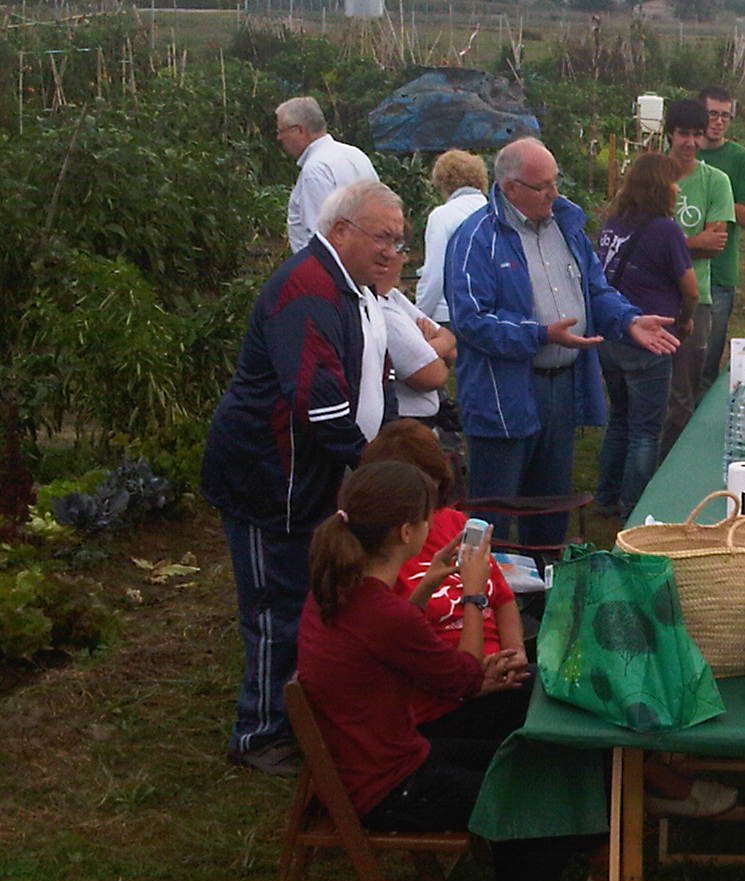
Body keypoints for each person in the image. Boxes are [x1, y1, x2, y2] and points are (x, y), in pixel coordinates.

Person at [297, 460, 595, 881]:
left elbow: (394, 638)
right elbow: (462, 679)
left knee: (532, 759)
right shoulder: (380, 612)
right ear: (406, 531)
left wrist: (432, 582)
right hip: (389, 785)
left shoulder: (340, 590)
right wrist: (474, 595)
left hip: (383, 757)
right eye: (427, 516)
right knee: (546, 805)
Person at [203, 179, 404, 775]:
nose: (391, 251)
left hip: (308, 474)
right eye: (382, 237)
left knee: (311, 598)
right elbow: (320, 405)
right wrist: (376, 469)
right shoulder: (307, 287)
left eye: (398, 240)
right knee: (275, 606)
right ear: (340, 230)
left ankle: (305, 717)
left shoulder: (351, 287)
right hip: (268, 477)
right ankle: (259, 734)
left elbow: (375, 377)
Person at [444, 137, 679, 550]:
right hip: (503, 394)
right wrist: (539, 335)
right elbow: (471, 320)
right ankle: (486, 586)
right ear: (510, 187)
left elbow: (595, 290)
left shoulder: (565, 227)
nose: (554, 193)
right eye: (543, 186)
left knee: (550, 506)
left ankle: (544, 580)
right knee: (494, 512)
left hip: (562, 388)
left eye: (556, 181)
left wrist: (628, 320)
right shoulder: (476, 239)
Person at [359, 419, 529, 736]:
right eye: (423, 499)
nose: (432, 511)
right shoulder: (381, 566)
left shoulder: (454, 525)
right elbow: (442, 673)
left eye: (435, 493)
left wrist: (514, 653)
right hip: (449, 702)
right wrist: (473, 596)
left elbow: (504, 598)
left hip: (490, 675)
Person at [594, 153, 696, 519]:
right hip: (649, 338)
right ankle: (634, 508)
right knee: (646, 430)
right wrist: (685, 319)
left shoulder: (613, 224)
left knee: (619, 418)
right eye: (673, 182)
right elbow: (690, 287)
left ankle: (605, 496)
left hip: (611, 334)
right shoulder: (666, 230)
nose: (677, 188)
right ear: (660, 187)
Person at [658, 98, 734, 454]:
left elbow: (714, 244)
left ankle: (671, 465)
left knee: (683, 397)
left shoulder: (716, 181)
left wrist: (663, 249)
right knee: (646, 395)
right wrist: (691, 243)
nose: (690, 142)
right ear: (669, 134)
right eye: (683, 134)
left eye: (696, 135)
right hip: (648, 300)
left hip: (695, 300)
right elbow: (635, 241)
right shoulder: (650, 176)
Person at [696, 87, 745, 392]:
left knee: (707, 361)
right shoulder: (682, 154)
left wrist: (715, 199)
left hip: (719, 273)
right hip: (678, 269)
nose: (719, 121)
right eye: (712, 114)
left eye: (725, 116)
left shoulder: (741, 159)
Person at [275, 95, 378, 253]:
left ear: (299, 130)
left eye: (281, 131)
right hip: (366, 257)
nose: (279, 138)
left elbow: (321, 236)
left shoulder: (315, 169)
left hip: (327, 265)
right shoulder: (356, 155)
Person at [371, 244, 453, 425]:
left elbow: (452, 345)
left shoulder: (393, 296)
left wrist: (425, 349)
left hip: (425, 420)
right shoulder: (382, 312)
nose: (405, 259)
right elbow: (432, 376)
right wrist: (435, 348)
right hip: (403, 422)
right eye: (401, 251)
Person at [417, 149, 489, 324]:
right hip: (489, 315)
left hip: (450, 315)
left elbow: (435, 275)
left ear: (443, 181)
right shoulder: (494, 213)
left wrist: (419, 315)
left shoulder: (442, 216)